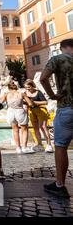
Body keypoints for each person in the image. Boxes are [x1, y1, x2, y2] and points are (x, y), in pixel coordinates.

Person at [40, 39, 73, 198]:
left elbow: (43, 78)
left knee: (60, 146)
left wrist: (52, 95)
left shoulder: (58, 59)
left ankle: (60, 185)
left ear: (62, 48)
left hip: (67, 108)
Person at [1, 80, 34, 154]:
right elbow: (30, 103)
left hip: (10, 112)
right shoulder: (21, 93)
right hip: (20, 111)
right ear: (17, 87)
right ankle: (24, 147)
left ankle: (18, 148)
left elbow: (1, 102)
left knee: (15, 130)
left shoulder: (6, 94)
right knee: (24, 129)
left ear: (8, 88)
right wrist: (24, 102)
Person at [24, 80, 54, 153]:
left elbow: (45, 102)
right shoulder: (25, 93)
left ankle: (49, 145)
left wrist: (35, 102)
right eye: (26, 88)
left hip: (41, 110)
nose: (28, 89)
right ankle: (40, 144)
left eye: (29, 87)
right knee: (35, 128)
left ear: (32, 86)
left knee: (43, 127)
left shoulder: (38, 92)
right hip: (32, 111)